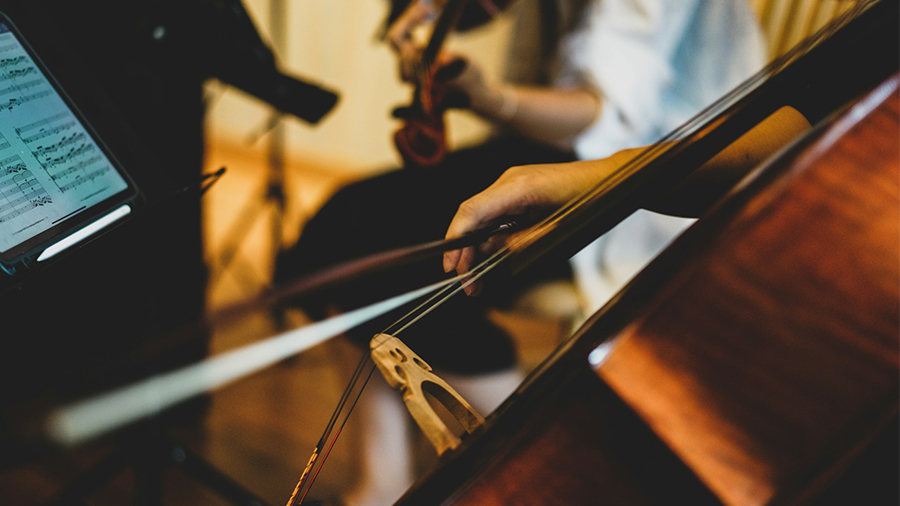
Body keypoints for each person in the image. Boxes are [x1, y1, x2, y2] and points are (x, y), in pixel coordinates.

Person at [273, 1, 767, 504]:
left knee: (386, 243)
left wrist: (490, 98)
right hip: (563, 147)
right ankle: (382, 480)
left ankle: (540, 472)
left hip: (653, 176)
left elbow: (604, 113)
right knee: (342, 223)